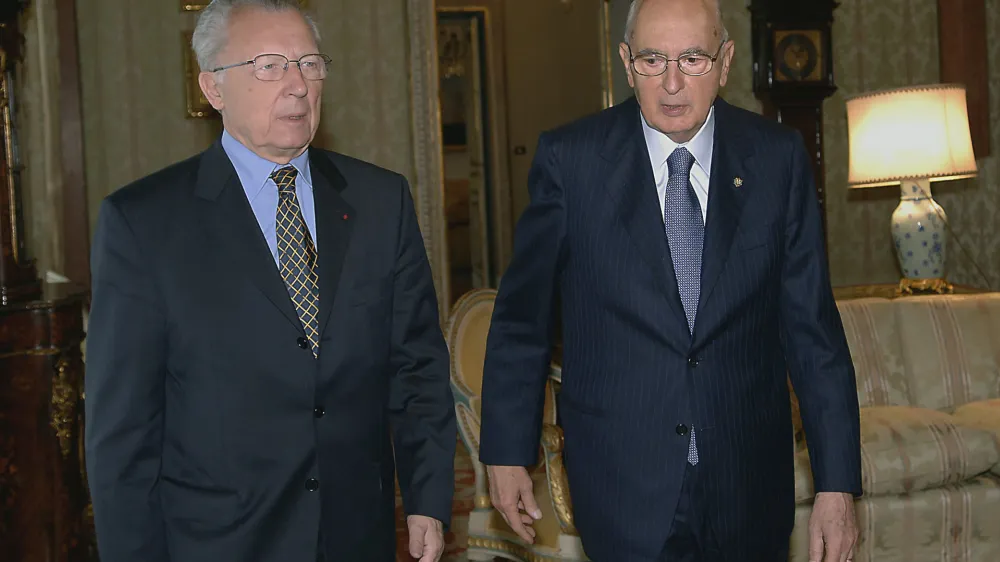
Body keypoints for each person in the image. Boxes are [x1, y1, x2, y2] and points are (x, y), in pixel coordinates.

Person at [477, 0, 862, 560]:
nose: (673, 83)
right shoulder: (571, 161)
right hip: (621, 482)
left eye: (693, 59)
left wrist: (836, 484)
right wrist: (507, 452)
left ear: (725, 61)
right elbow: (521, 319)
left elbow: (813, 334)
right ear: (627, 63)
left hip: (747, 484)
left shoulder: (777, 160)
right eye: (654, 60)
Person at [84, 1, 455, 561]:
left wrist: (427, 496)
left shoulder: (381, 201)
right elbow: (123, 435)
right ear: (213, 88)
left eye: (309, 63)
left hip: (356, 534)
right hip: (217, 541)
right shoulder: (143, 224)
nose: (297, 85)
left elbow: (417, 365)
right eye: (268, 65)